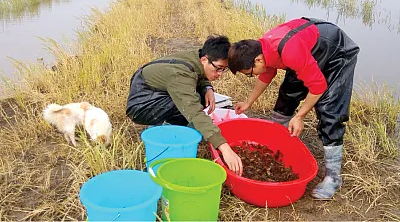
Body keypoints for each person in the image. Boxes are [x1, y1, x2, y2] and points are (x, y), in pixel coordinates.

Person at [228, 17, 360, 199]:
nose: (251, 76)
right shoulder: (263, 48)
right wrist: (249, 102)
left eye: (249, 74)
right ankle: (278, 145)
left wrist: (299, 116)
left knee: (329, 110)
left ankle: (334, 178)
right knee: (288, 94)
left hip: (336, 51)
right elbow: (267, 74)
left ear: (257, 60)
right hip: (307, 49)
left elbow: (318, 87)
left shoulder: (288, 51)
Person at [126, 35, 243, 175]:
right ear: (204, 59)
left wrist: (207, 88)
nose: (220, 74)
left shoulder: (197, 56)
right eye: (218, 68)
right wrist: (225, 148)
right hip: (140, 104)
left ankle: (171, 124)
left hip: (156, 90)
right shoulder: (180, 75)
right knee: (187, 106)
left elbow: (198, 72)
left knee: (198, 96)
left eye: (224, 69)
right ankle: (167, 131)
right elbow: (194, 112)